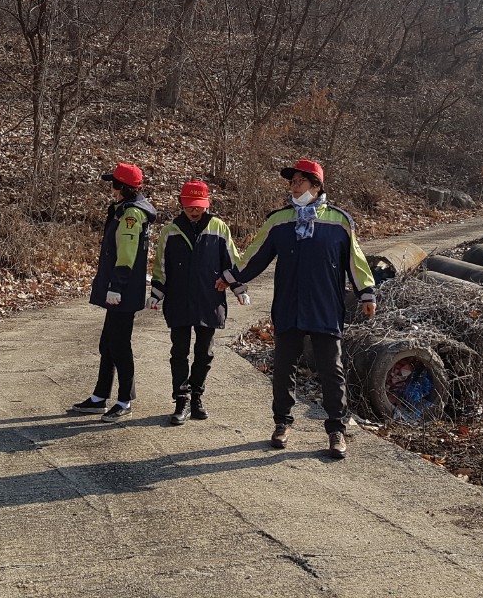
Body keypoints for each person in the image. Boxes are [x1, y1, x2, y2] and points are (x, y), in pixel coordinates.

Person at [225, 159, 376, 459]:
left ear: (316, 186)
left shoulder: (339, 221)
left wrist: (366, 293)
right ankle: (282, 423)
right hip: (289, 305)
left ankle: (336, 429)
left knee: (331, 370)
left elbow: (355, 260)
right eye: (291, 182)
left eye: (299, 181)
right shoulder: (279, 220)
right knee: (283, 367)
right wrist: (231, 277)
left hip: (325, 306)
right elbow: (255, 254)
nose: (293, 186)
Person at [148, 180, 247, 426]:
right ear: (181, 204)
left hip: (209, 299)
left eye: (199, 206)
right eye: (190, 205)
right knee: (179, 352)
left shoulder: (219, 228)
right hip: (178, 300)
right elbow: (161, 266)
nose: (194, 210)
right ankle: (181, 399)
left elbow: (232, 260)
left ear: (207, 204)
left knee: (205, 352)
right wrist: (156, 292)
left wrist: (238, 288)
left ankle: (197, 397)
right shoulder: (170, 231)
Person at [68, 161, 157, 422]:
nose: (112, 189)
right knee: (108, 343)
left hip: (123, 290)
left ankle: (124, 400)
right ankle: (99, 397)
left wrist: (116, 286)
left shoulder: (131, 215)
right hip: (119, 289)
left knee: (119, 345)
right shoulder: (123, 210)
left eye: (115, 184)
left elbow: (127, 254)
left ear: (124, 188)